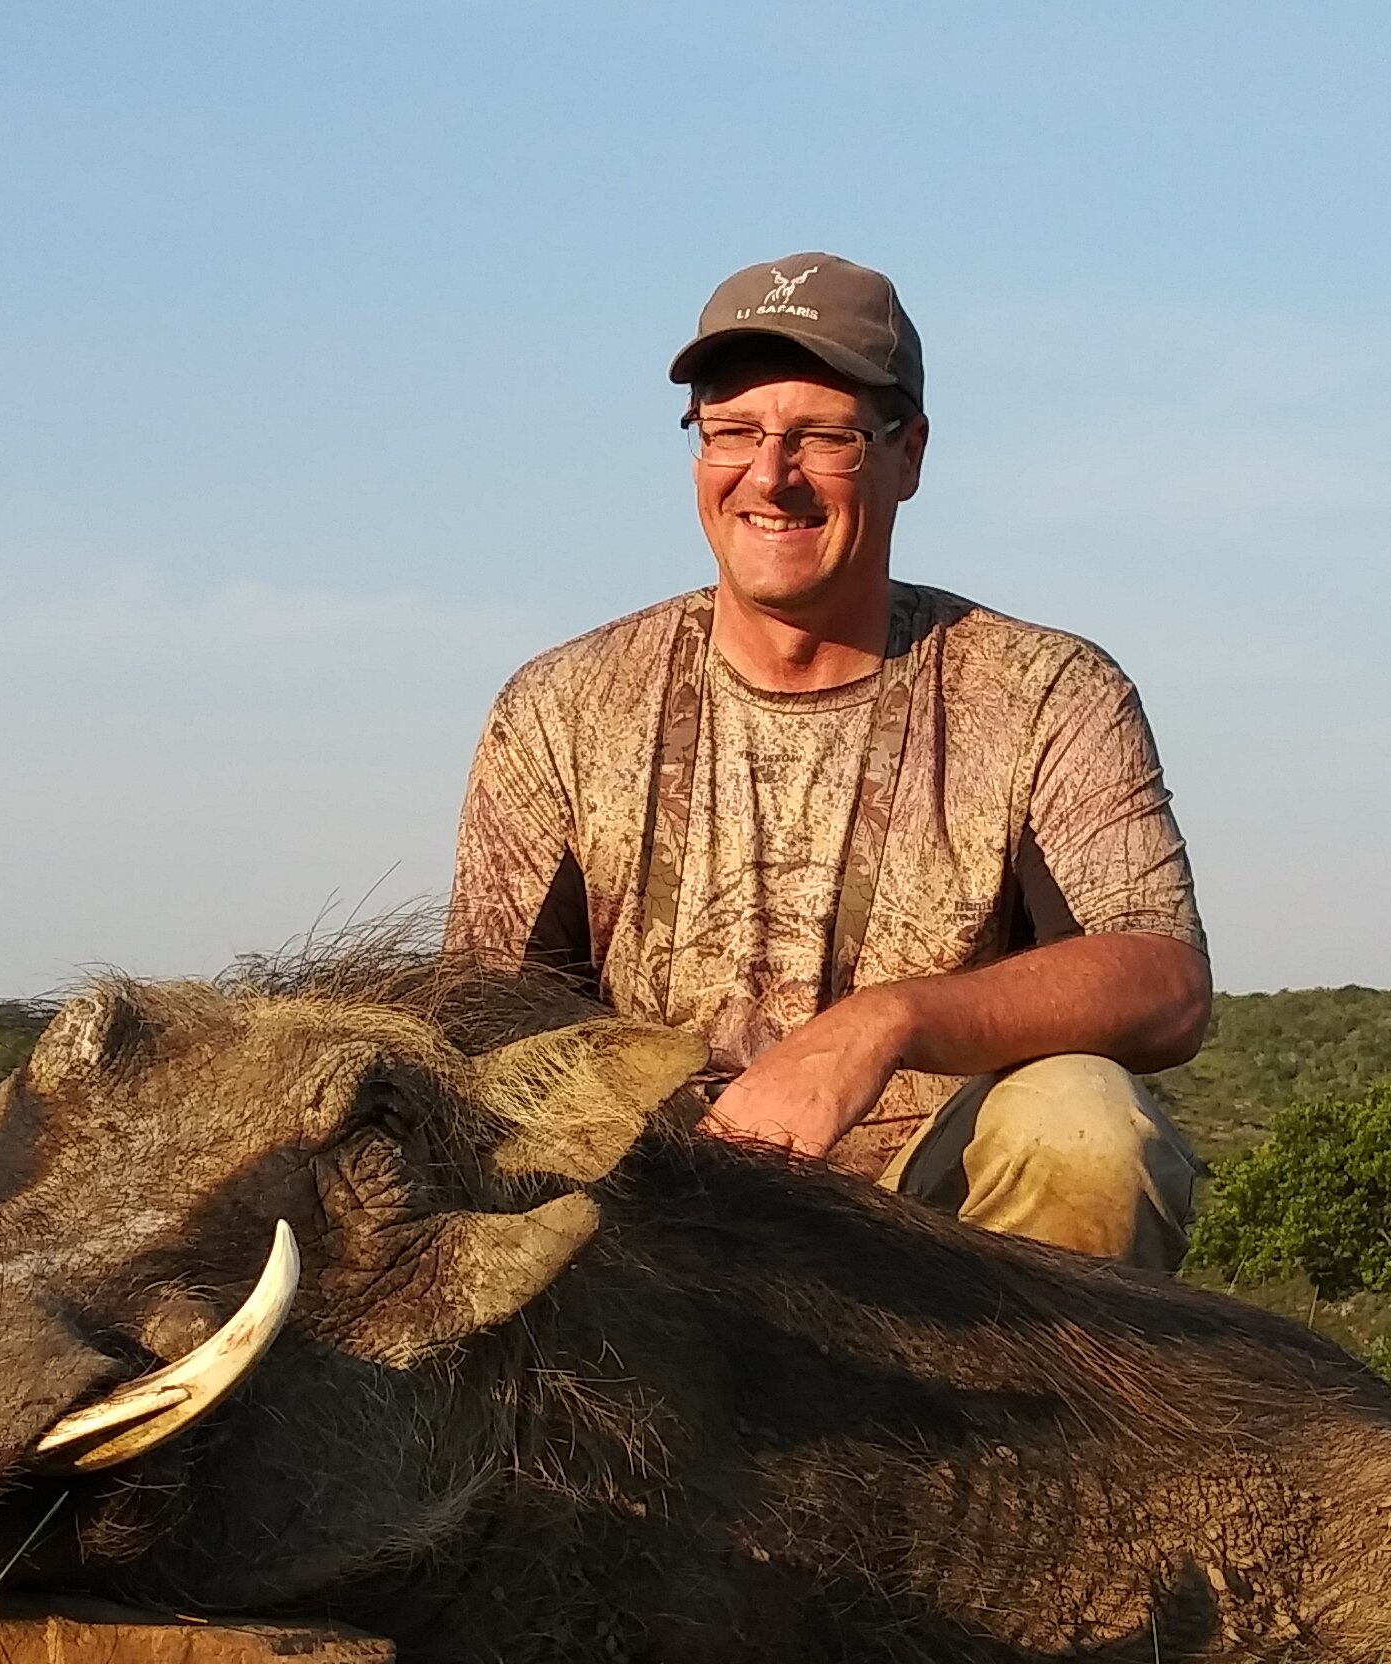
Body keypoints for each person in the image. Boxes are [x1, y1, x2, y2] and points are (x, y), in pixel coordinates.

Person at [447, 252, 1210, 1270]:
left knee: (1086, 1119)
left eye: (824, 437)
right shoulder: (557, 709)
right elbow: (480, 1028)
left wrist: (882, 1023)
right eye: (733, 432)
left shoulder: (1045, 691)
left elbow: (1163, 982)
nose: (770, 476)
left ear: (908, 455)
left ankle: (1026, 1429)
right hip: (652, 1236)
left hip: (936, 1238)